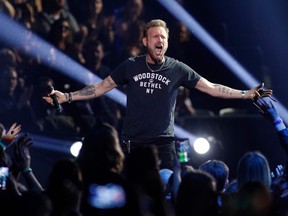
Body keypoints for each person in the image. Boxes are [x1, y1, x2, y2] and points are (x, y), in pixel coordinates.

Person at [43, 19, 272, 169]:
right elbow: (100, 87)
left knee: (166, 186)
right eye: (155, 36)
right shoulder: (130, 66)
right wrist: (67, 96)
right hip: (134, 141)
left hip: (164, 143)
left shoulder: (178, 68)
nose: (160, 40)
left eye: (163, 37)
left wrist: (246, 94)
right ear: (145, 41)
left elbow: (211, 88)